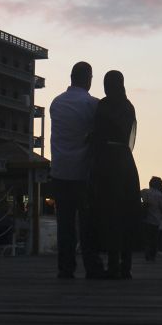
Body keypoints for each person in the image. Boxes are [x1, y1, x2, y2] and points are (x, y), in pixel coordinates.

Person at [49, 61, 104, 279]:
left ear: (71, 77)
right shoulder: (92, 104)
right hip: (83, 172)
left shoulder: (56, 103)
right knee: (87, 222)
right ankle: (91, 265)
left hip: (60, 171)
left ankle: (65, 267)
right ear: (88, 78)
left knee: (65, 223)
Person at [90, 70, 142, 279]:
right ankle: (126, 265)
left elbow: (97, 133)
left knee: (108, 213)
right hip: (126, 163)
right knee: (126, 211)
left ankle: (112, 263)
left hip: (106, 163)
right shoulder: (129, 106)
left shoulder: (103, 105)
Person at [141, 176, 162, 261]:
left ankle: (147, 251)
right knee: (154, 238)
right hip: (156, 220)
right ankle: (152, 254)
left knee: (147, 237)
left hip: (146, 218)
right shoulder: (160, 195)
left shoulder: (145, 192)